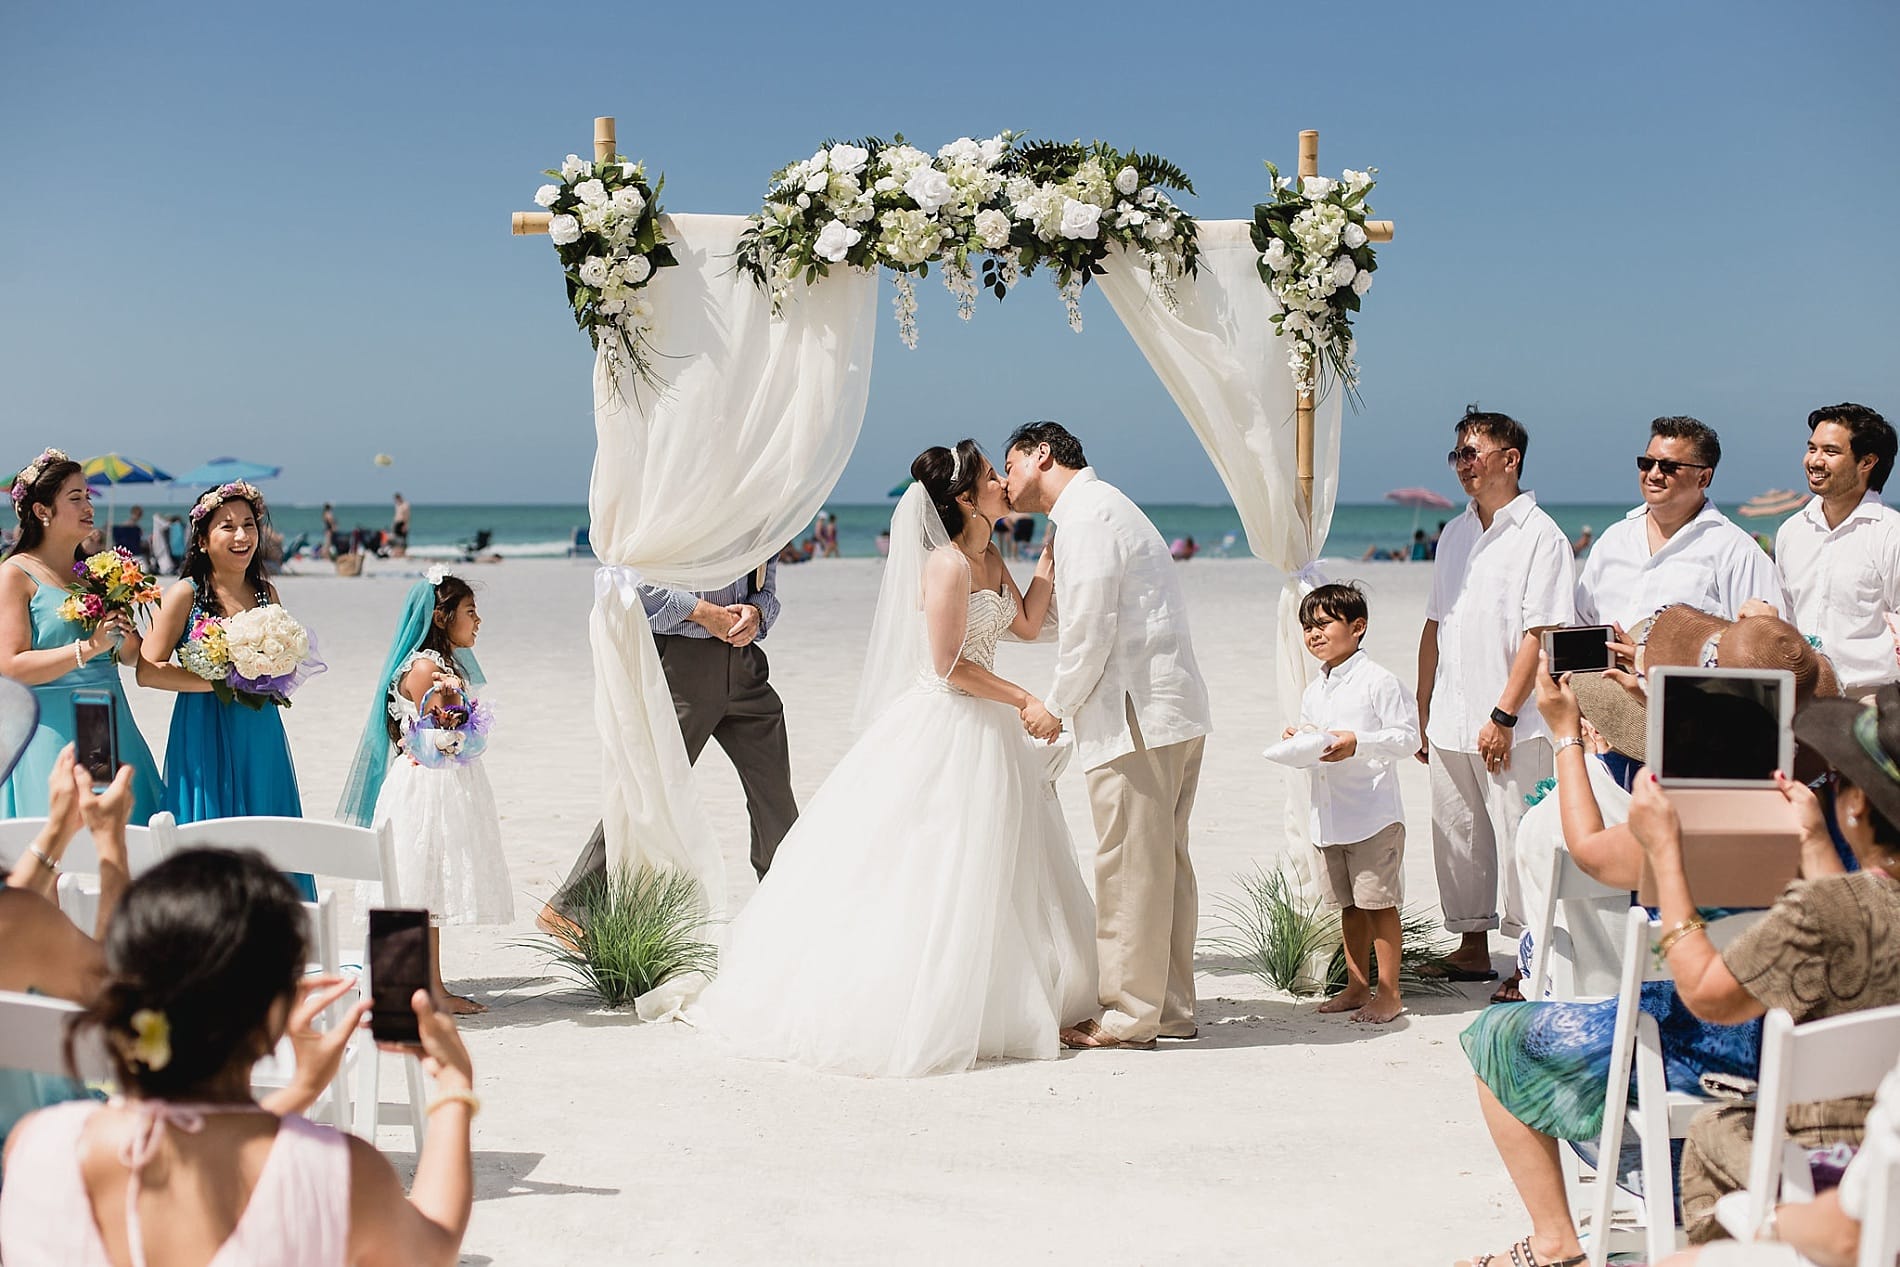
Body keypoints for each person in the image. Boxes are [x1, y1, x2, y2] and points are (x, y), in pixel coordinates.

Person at [1452, 659, 1880, 1267]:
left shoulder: (1683, 828)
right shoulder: (1840, 829)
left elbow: (1593, 854)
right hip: (1819, 1070)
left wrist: (1565, 738)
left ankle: (1554, 1240)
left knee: (1495, 1037)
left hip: (1691, 1055)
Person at [694, 441, 1096, 1077]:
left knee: (1001, 863)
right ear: (966, 498)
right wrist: (1023, 697)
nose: (1002, 483)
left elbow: (1023, 624)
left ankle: (1003, 999)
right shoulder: (946, 565)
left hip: (990, 725)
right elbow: (948, 665)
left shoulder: (990, 554)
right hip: (949, 721)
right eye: (993, 476)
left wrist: (1047, 559)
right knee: (932, 864)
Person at [0, 847, 477, 1266]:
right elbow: (431, 1251)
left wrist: (298, 1094)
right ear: (273, 1018)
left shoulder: (39, 1146)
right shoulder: (341, 1174)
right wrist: (454, 1088)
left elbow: (193, 1139)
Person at [1004, 420, 1212, 1050]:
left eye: (1009, 465)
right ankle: (1168, 1008)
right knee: (1162, 867)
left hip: (1134, 718)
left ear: (1042, 455)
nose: (1006, 479)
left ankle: (1127, 1015)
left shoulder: (1088, 518)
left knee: (1127, 866)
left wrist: (1055, 707)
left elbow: (1089, 631)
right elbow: (1078, 618)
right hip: (1166, 711)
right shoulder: (1103, 510)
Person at [542, 557, 800, 932]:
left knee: (775, 794)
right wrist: (700, 611)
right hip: (683, 665)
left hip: (746, 667)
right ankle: (572, 903)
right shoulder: (670, 502)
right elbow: (624, 582)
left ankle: (788, 897)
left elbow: (766, 586)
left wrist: (758, 612)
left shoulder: (756, 509)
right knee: (652, 786)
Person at [1418, 408, 1576, 988]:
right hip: (1450, 716)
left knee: (1520, 838)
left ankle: (1531, 961)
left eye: (1473, 453)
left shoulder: (1542, 536)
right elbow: (1436, 621)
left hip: (1514, 721)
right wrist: (1421, 707)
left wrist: (1503, 714)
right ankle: (1471, 946)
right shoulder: (1455, 532)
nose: (1463, 465)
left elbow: (1541, 634)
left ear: (1510, 460)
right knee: (1459, 835)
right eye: (1457, 454)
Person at [339, 570, 511, 1014]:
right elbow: (441, 738)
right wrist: (463, 721)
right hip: (428, 785)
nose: (478, 621)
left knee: (424, 887)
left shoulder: (438, 665)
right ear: (442, 615)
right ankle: (419, 988)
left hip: (435, 781)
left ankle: (425, 985)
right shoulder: (427, 668)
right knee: (419, 884)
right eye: (470, 611)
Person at [0, 449, 165, 821]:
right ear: (42, 511)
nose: (87, 505)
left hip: (110, 722)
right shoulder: (16, 574)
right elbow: (10, 666)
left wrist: (124, 624)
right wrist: (87, 648)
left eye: (88, 496)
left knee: (122, 841)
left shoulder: (93, 575)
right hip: (53, 731)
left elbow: (129, 655)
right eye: (75, 498)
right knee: (64, 845)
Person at [1286, 583, 1420, 1024]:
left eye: (1323, 624)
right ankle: (1356, 985)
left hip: (1372, 814)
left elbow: (1407, 738)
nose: (1313, 634)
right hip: (1329, 814)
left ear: (1357, 627)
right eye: (1308, 627)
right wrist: (1301, 740)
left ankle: (1390, 992)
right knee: (1348, 906)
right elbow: (1318, 739)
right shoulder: (1315, 688)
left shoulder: (1379, 681)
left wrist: (1359, 743)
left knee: (1378, 904)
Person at [144, 482, 307, 825]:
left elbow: (282, 666)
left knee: (267, 823)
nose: (242, 536)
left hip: (259, 727)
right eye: (227, 526)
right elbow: (148, 671)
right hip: (202, 726)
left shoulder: (267, 593)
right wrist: (222, 681)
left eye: (249, 525)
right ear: (202, 540)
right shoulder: (184, 594)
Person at [1576, 416, 1787, 636]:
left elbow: (1764, 647)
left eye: (1669, 467)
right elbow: (1579, 624)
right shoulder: (1613, 540)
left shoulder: (1737, 552)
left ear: (1703, 478)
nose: (1654, 474)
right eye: (1647, 463)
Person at [1775, 402, 1900, 699]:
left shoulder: (1891, 533)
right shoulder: (1792, 531)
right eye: (1812, 448)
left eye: (1830, 452)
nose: (1815, 461)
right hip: (1801, 700)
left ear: (1867, 462)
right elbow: (1786, 620)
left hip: (1871, 706)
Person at [390, 491, 411, 556]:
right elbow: (396, 516)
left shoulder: (405, 505)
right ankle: (397, 553)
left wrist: (405, 525)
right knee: (395, 539)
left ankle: (403, 553)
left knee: (402, 539)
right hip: (397, 523)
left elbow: (407, 516)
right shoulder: (397, 505)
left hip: (402, 523)